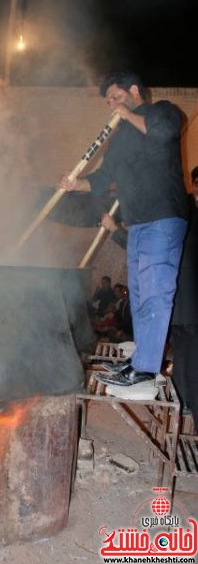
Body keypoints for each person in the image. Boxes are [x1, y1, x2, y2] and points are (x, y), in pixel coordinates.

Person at [59, 70, 188, 387]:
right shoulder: (119, 140)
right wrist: (78, 183)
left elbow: (163, 133)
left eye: (115, 97)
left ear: (134, 90)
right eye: (108, 102)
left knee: (155, 293)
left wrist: (127, 114)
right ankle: (141, 361)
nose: (112, 105)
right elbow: (102, 180)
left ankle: (146, 369)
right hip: (138, 222)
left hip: (163, 217)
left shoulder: (162, 112)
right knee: (141, 295)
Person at [170, 166, 198, 430]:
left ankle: (185, 407)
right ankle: (181, 408)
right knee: (184, 367)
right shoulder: (185, 212)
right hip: (184, 308)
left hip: (187, 309)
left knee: (190, 368)